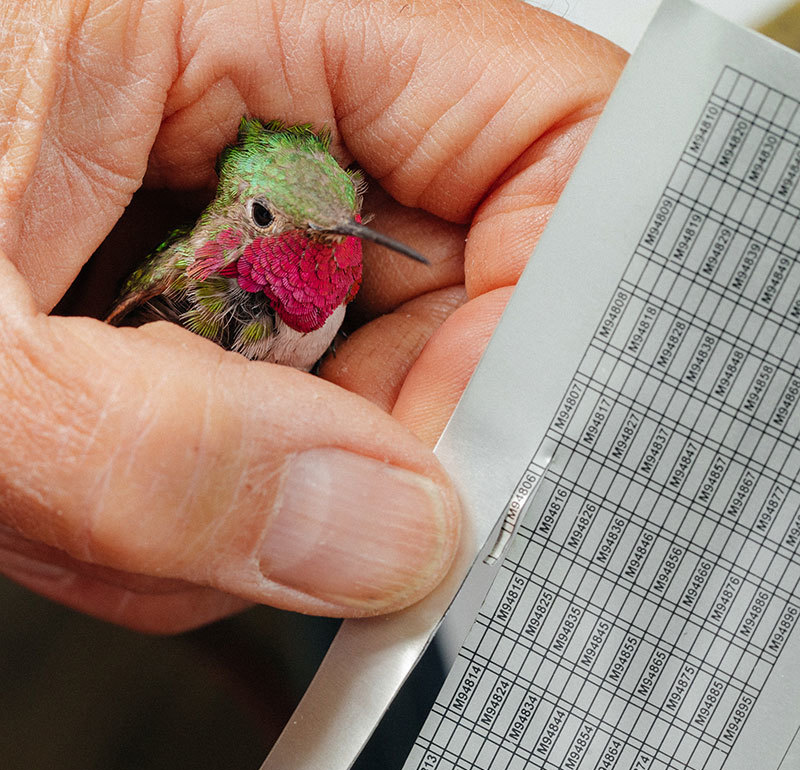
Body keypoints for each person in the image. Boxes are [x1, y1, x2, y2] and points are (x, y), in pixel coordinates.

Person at [0, 0, 626, 634]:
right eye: (270, 218)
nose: (335, 232)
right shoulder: (198, 286)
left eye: (349, 209)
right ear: (244, 214)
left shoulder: (339, 266)